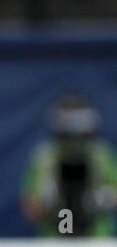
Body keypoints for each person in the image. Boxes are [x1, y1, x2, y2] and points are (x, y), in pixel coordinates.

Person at [21, 95, 117, 237]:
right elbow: (30, 209)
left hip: (96, 241)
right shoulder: (45, 157)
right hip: (56, 242)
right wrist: (46, 201)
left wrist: (103, 198)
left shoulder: (102, 155)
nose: (74, 142)